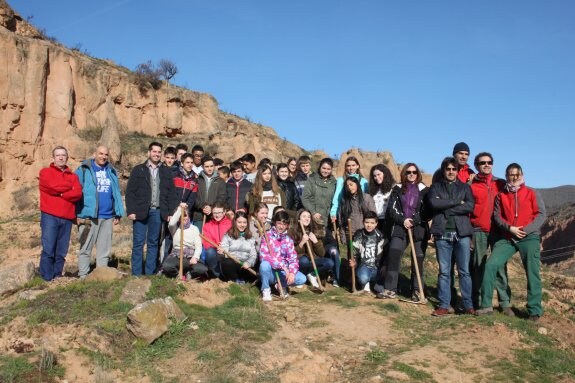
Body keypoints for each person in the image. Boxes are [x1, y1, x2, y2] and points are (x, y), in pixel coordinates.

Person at [476, 163, 546, 321]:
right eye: (510, 175)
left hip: (529, 237)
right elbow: (497, 217)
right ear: (506, 176)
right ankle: (486, 305)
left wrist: (526, 230)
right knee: (491, 265)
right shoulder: (501, 195)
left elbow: (541, 214)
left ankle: (534, 310)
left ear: (522, 175)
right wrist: (510, 228)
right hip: (508, 237)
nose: (514, 178)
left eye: (517, 174)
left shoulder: (532, 192)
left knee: (532, 272)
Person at [427, 157, 475, 316]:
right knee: (444, 272)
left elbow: (470, 205)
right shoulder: (435, 187)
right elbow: (433, 203)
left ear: (457, 171)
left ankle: (468, 305)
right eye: (448, 169)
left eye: (454, 169)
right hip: (442, 234)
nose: (451, 172)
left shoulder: (464, 187)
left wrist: (446, 206)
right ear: (443, 170)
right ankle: (443, 305)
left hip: (462, 234)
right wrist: (456, 203)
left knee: (464, 271)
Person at [378, 163, 429, 300]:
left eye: (414, 172)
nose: (411, 174)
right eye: (408, 172)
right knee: (394, 253)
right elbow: (391, 209)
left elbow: (426, 210)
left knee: (418, 257)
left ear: (418, 174)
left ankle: (417, 290)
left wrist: (414, 220)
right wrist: (403, 220)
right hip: (400, 228)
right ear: (404, 174)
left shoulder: (424, 190)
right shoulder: (397, 189)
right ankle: (390, 289)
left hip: (418, 229)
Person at [469, 152, 512, 314]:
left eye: (489, 162)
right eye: (482, 163)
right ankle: (480, 301)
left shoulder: (501, 184)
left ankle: (504, 302)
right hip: (478, 231)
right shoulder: (472, 186)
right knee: (478, 266)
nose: (486, 165)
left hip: (499, 231)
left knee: (500, 266)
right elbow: (467, 211)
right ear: (476, 165)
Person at [75, 145, 124, 279]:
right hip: (89, 216)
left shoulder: (111, 171)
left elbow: (116, 192)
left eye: (106, 155)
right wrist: (76, 214)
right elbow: (75, 192)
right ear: (94, 154)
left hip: (107, 216)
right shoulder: (83, 170)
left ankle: (101, 276)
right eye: (101, 154)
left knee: (104, 250)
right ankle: (83, 276)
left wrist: (118, 212)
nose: (103, 157)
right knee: (86, 247)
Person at [39, 146, 83, 281]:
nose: (61, 157)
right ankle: (46, 277)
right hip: (50, 215)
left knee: (61, 250)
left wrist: (62, 192)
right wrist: (68, 188)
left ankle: (57, 276)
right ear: (53, 158)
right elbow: (52, 186)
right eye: (58, 155)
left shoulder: (73, 176)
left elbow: (77, 193)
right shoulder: (45, 172)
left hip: (67, 217)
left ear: (67, 157)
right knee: (49, 247)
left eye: (63, 155)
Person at [125, 142, 168, 275]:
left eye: (159, 152)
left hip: (157, 211)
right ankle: (136, 274)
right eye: (154, 151)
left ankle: (150, 273)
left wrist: (168, 211)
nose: (156, 154)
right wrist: (131, 210)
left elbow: (170, 192)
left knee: (153, 242)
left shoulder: (165, 171)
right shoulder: (139, 169)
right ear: (149, 153)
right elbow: (130, 191)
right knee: (138, 242)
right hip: (140, 211)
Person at [301, 158, 339, 286]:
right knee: (314, 248)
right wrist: (313, 212)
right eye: (324, 168)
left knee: (328, 248)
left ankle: (329, 275)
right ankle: (311, 273)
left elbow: (336, 200)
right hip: (313, 220)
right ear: (319, 168)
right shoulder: (312, 179)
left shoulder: (334, 182)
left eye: (328, 169)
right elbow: (305, 198)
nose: (326, 171)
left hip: (327, 221)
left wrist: (333, 214)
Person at [259, 211, 306, 301]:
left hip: (283, 273)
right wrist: (283, 267)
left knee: (302, 279)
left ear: (287, 225)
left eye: (284, 224)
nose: (281, 226)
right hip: (271, 272)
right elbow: (264, 256)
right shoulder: (267, 236)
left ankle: (281, 285)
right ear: (275, 223)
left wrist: (292, 272)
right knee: (264, 265)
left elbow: (293, 259)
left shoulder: (289, 240)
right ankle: (266, 289)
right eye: (279, 223)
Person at [289, 209, 335, 289]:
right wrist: (302, 242)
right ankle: (302, 276)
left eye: (309, 217)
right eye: (304, 216)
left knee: (329, 262)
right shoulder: (293, 232)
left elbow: (322, 253)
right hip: (300, 261)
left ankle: (312, 274)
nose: (307, 219)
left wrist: (316, 241)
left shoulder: (314, 231)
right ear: (299, 218)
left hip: (313, 260)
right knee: (304, 260)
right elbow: (292, 253)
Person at [161, 203, 207, 278]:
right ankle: (177, 274)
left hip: (190, 256)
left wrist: (195, 257)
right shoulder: (174, 228)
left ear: (188, 216)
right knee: (167, 266)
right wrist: (180, 209)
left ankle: (190, 273)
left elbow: (198, 246)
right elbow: (172, 223)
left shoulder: (194, 229)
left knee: (202, 269)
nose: (184, 217)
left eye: (185, 215)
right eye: (181, 216)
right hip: (176, 255)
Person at [350, 211, 385, 293]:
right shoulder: (358, 235)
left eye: (372, 223)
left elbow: (383, 254)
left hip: (376, 267)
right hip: (364, 265)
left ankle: (374, 283)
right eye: (367, 222)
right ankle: (365, 282)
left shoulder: (380, 236)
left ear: (376, 224)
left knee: (380, 288)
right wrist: (354, 262)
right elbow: (354, 252)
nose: (369, 225)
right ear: (363, 222)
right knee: (363, 278)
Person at [218, 211, 258, 284]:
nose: (242, 225)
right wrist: (222, 252)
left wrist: (248, 263)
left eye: (244, 222)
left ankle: (243, 279)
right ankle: (234, 279)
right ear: (235, 222)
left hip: (245, 266)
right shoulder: (228, 235)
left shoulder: (251, 237)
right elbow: (224, 249)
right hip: (233, 264)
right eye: (239, 222)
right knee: (227, 262)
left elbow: (253, 255)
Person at [192, 155, 227, 231]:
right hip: (199, 216)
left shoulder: (220, 181)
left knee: (212, 240)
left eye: (211, 166)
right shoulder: (197, 181)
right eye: (207, 166)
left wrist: (212, 207)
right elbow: (194, 197)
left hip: (215, 216)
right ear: (202, 167)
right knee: (199, 240)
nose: (209, 168)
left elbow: (222, 197)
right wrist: (203, 207)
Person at [330, 156, 369, 224]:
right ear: (345, 167)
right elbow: (337, 198)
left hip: (360, 214)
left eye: (353, 165)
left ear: (357, 166)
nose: (351, 168)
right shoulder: (341, 180)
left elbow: (367, 200)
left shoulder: (363, 181)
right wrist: (333, 213)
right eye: (348, 166)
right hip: (345, 213)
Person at [337, 176, 376, 242]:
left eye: (351, 184)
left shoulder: (366, 198)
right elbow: (341, 220)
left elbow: (373, 217)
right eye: (347, 186)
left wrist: (369, 233)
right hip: (349, 234)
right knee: (351, 252)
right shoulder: (344, 200)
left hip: (363, 234)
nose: (349, 187)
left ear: (357, 184)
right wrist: (343, 235)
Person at [201, 202, 232, 278]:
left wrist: (224, 247)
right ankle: (215, 273)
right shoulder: (207, 226)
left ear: (224, 212)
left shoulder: (230, 224)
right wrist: (217, 246)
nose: (217, 215)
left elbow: (233, 239)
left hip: (227, 251)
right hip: (215, 250)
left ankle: (226, 274)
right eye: (215, 213)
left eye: (219, 212)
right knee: (209, 252)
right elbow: (206, 242)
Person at [368, 164, 396, 233]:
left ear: (385, 174)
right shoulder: (373, 190)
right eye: (374, 176)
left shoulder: (393, 188)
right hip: (376, 221)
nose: (377, 177)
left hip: (389, 221)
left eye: (379, 174)